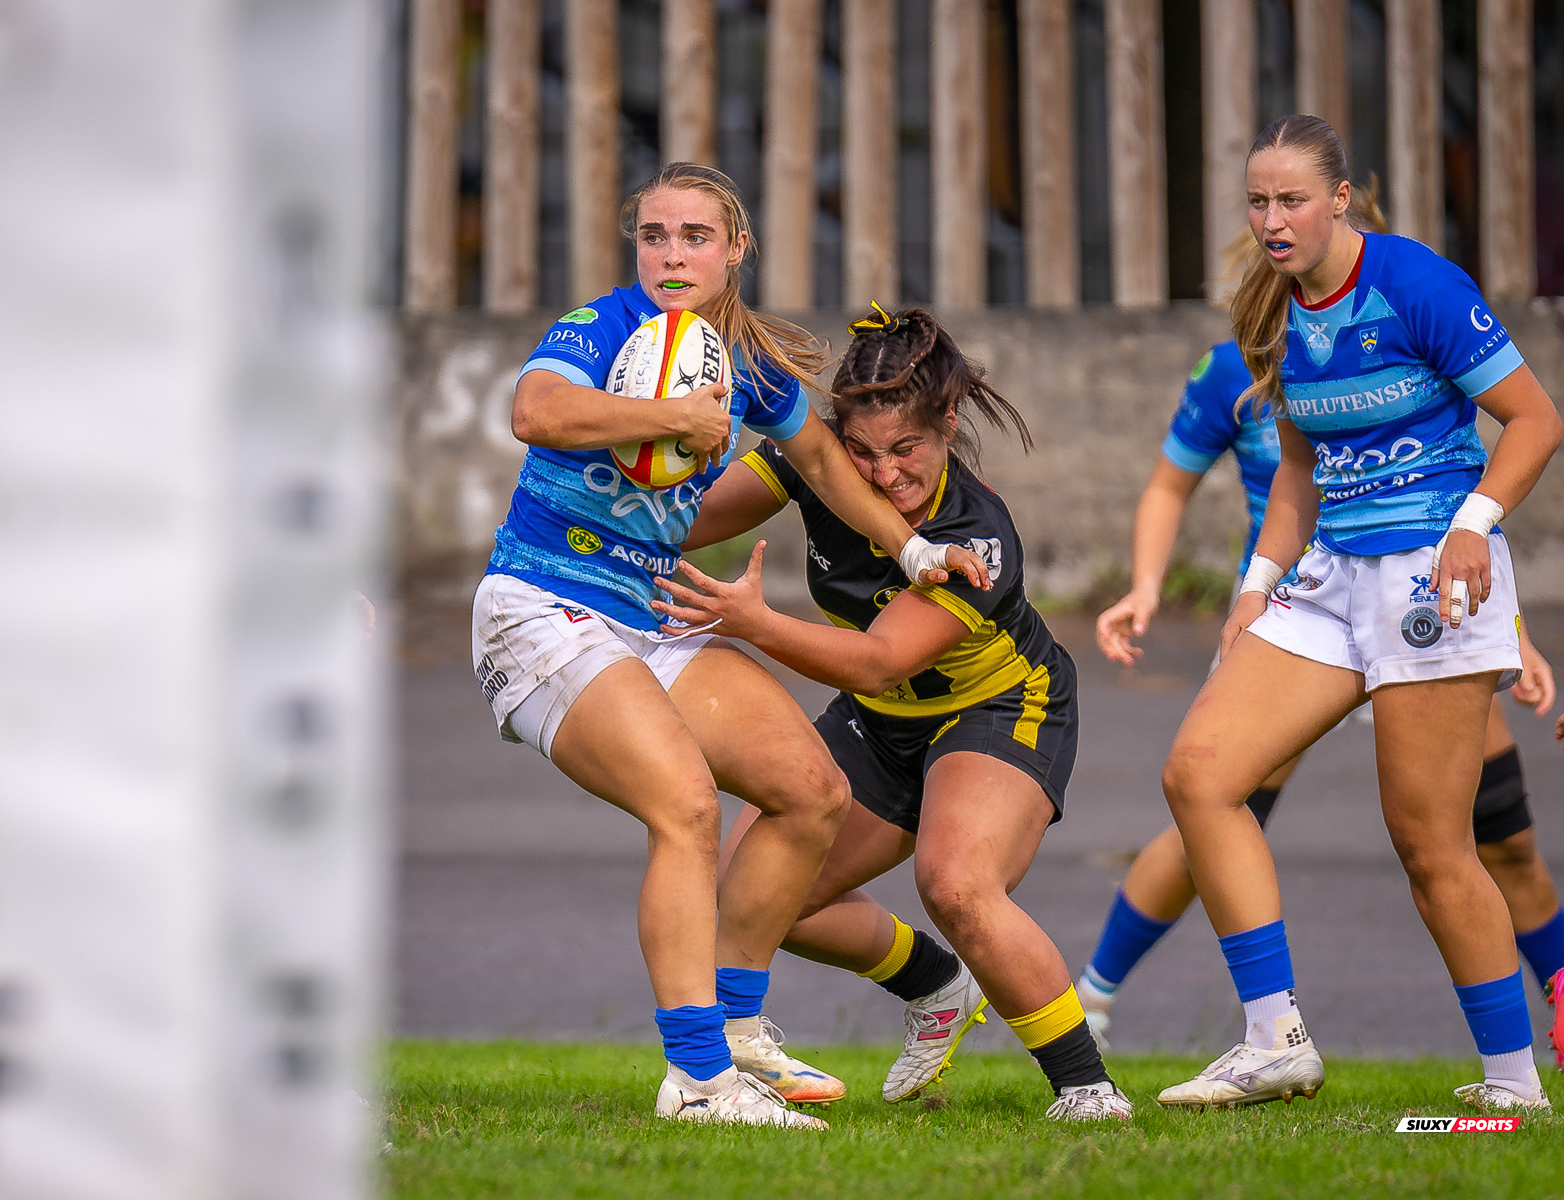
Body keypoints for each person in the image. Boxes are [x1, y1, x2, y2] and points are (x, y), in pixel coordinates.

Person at [473, 163, 978, 1128]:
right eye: (654, 235)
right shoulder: (601, 327)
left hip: (646, 615)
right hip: (540, 605)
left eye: (694, 236)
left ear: (736, 249)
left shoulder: (746, 366)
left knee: (809, 790)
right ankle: (699, 1081)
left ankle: (738, 1036)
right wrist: (672, 417)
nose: (671, 255)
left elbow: (825, 463)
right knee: (688, 809)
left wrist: (914, 549)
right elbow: (534, 414)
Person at [1153, 114, 1563, 1113]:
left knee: (1431, 847)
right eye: (1257, 201)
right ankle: (1274, 1039)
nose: (1272, 219)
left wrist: (1477, 523)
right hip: (1330, 573)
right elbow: (1298, 465)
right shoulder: (1276, 304)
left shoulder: (1417, 282)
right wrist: (1252, 590)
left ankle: (1513, 1090)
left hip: (1434, 573)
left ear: (1340, 198)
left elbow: (1536, 419)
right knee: (1200, 774)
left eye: (1291, 199)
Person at [655, 306, 1132, 1122]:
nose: (883, 475)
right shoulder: (813, 461)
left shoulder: (977, 538)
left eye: (905, 449)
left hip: (1000, 706)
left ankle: (1087, 1089)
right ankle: (936, 987)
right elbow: (681, 522)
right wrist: (638, 457)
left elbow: (880, 656)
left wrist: (754, 623)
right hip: (880, 717)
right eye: (863, 453)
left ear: (948, 425)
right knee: (757, 891)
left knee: (956, 884)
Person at [1079, 324, 1564, 1060]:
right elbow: (1169, 484)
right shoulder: (1236, 366)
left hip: (1419, 609)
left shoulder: (1408, 327)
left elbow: (1460, 493)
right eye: (1264, 207)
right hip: (1295, 620)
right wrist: (1147, 586)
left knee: (1496, 840)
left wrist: (1512, 632)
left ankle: (1536, 1035)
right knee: (1204, 809)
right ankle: (1095, 998)